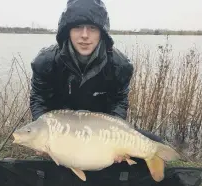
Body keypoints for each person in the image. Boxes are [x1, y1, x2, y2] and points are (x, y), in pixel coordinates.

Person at [30, 0, 162, 162]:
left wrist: (116, 139)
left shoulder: (120, 66)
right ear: (67, 31)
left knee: (154, 143)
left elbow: (118, 103)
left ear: (102, 32)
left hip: (100, 133)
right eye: (77, 27)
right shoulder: (45, 62)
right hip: (63, 133)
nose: (84, 35)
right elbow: (39, 99)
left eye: (92, 28)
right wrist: (44, 138)